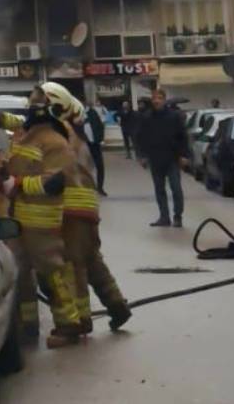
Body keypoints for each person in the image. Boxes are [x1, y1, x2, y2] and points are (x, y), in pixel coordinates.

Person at [0, 83, 85, 349]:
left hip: (42, 220)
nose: (31, 102)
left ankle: (68, 325)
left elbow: (54, 183)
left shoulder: (57, 142)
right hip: (18, 218)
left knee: (52, 272)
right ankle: (28, 326)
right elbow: (15, 120)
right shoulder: (29, 132)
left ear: (53, 106)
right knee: (20, 273)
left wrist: (16, 184)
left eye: (38, 99)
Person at [59, 95, 132, 332]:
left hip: (72, 211)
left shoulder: (63, 137)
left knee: (74, 265)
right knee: (92, 261)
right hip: (86, 209)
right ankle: (117, 306)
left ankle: (81, 320)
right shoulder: (76, 136)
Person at [135, 89, 191, 227]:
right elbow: (141, 138)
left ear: (164, 100)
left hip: (172, 158)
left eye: (159, 98)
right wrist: (142, 156)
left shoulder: (174, 116)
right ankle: (164, 217)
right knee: (159, 189)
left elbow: (183, 137)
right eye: (154, 98)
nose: (156, 101)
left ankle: (178, 216)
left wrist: (184, 155)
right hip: (155, 159)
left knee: (176, 188)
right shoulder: (147, 118)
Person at [84, 101, 108, 195]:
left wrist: (100, 139)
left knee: (100, 166)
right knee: (85, 167)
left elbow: (99, 126)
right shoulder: (75, 113)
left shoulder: (92, 112)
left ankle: (100, 187)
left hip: (94, 143)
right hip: (84, 145)